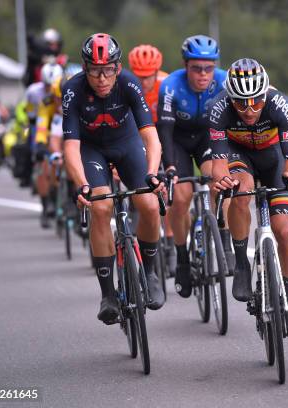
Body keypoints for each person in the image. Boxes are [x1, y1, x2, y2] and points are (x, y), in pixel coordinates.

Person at [63, 33, 165, 324]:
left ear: (118, 68)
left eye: (108, 69)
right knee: (101, 207)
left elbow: (150, 136)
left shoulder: (129, 83)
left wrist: (152, 173)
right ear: (85, 68)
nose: (102, 77)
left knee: (148, 204)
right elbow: (70, 147)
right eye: (95, 70)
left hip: (127, 143)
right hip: (92, 149)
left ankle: (149, 271)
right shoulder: (73, 91)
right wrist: (80, 183)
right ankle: (108, 294)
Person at [209, 58, 288, 339]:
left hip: (273, 157)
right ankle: (241, 263)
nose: (250, 109)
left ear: (266, 94)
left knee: (285, 232)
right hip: (239, 155)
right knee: (239, 192)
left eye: (256, 101)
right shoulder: (217, 109)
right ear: (230, 99)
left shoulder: (280, 104)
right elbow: (218, 165)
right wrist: (222, 180)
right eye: (241, 103)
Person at [157, 35, 228, 298]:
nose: (203, 74)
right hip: (177, 141)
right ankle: (183, 258)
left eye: (208, 68)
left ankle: (225, 240)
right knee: (181, 197)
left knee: (218, 179)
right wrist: (170, 168)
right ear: (186, 66)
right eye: (196, 68)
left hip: (208, 138)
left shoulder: (223, 81)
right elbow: (163, 128)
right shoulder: (171, 85)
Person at [128, 44, 177, 275]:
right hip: (140, 133)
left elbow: (173, 122)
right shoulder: (128, 86)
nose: (144, 81)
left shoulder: (165, 84)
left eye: (148, 77)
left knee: (167, 185)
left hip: (163, 131)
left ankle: (169, 242)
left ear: (157, 72)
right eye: (140, 77)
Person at [34, 62, 64, 228]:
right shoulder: (45, 102)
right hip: (48, 133)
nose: (59, 102)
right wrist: (39, 143)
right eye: (56, 98)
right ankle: (46, 205)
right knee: (44, 164)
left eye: (62, 97)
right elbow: (41, 124)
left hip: (64, 132)